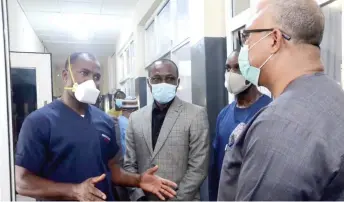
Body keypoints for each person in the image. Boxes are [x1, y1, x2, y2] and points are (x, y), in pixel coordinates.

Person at [218, 0, 344, 200]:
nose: (245, 46)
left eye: (247, 36)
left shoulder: (278, 125)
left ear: (274, 39)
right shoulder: (335, 98)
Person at [15, 52, 177, 201]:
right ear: (65, 76)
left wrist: (138, 179)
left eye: (97, 76)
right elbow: (22, 182)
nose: (92, 81)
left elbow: (112, 169)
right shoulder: (39, 121)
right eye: (84, 73)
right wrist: (73, 190)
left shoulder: (105, 120)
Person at [124, 59, 210, 201]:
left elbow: (198, 168)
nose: (163, 83)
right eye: (157, 79)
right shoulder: (135, 118)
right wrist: (139, 197)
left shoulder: (196, 115)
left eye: (169, 79)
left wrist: (177, 199)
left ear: (177, 82)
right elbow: (129, 165)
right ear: (148, 83)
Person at [208, 50, 271, 200]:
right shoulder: (223, 115)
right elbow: (216, 165)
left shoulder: (269, 110)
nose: (231, 73)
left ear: (252, 70)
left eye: (237, 68)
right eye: (228, 68)